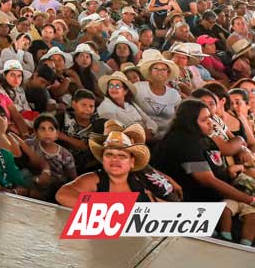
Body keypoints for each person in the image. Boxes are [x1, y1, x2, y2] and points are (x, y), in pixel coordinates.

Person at [153, 99, 255, 243]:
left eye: (210, 118)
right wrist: (249, 200)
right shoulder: (183, 141)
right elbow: (208, 180)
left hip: (220, 200)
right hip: (196, 208)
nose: (210, 123)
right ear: (190, 122)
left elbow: (226, 151)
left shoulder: (202, 136)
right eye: (204, 119)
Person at [57, 121, 156, 207]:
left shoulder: (140, 183)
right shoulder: (93, 179)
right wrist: (109, 206)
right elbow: (63, 195)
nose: (115, 159)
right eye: (109, 154)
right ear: (103, 159)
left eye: (122, 156)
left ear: (132, 162)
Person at [132, 49, 183, 135]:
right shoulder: (139, 87)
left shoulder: (173, 94)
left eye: (163, 69)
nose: (160, 72)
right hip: (142, 134)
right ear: (150, 71)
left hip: (166, 136)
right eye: (156, 68)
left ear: (168, 73)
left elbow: (179, 117)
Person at [96, 73, 159, 139]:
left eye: (117, 86)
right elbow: (120, 131)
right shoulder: (105, 108)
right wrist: (142, 135)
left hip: (148, 137)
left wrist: (150, 130)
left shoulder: (130, 104)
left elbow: (149, 121)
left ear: (125, 91)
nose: (113, 89)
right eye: (111, 86)